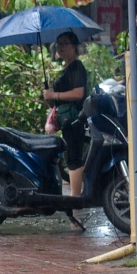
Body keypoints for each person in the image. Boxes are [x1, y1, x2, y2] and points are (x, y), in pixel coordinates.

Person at [43, 31, 88, 197]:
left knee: (74, 158)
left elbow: (78, 93)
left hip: (75, 119)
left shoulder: (76, 67)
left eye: (65, 43)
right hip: (67, 119)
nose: (61, 47)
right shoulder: (68, 67)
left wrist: (54, 95)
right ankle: (77, 195)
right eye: (59, 43)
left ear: (74, 46)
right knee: (71, 156)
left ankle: (76, 198)